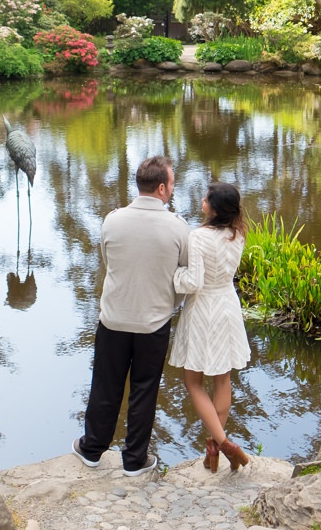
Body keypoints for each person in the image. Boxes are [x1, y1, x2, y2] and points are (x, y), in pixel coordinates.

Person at [73, 155, 190, 476]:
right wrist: (170, 302)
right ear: (163, 188)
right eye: (173, 184)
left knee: (105, 384)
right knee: (145, 388)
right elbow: (184, 274)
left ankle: (92, 449)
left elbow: (108, 263)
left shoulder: (112, 221)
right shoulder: (179, 228)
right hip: (154, 323)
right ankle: (134, 459)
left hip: (113, 320)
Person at [170, 180, 251, 472]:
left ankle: (226, 445)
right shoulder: (237, 234)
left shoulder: (199, 236)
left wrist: (175, 275)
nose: (202, 200)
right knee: (222, 379)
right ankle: (214, 447)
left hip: (203, 309)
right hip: (227, 306)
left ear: (214, 208)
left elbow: (193, 282)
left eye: (206, 198)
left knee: (192, 382)